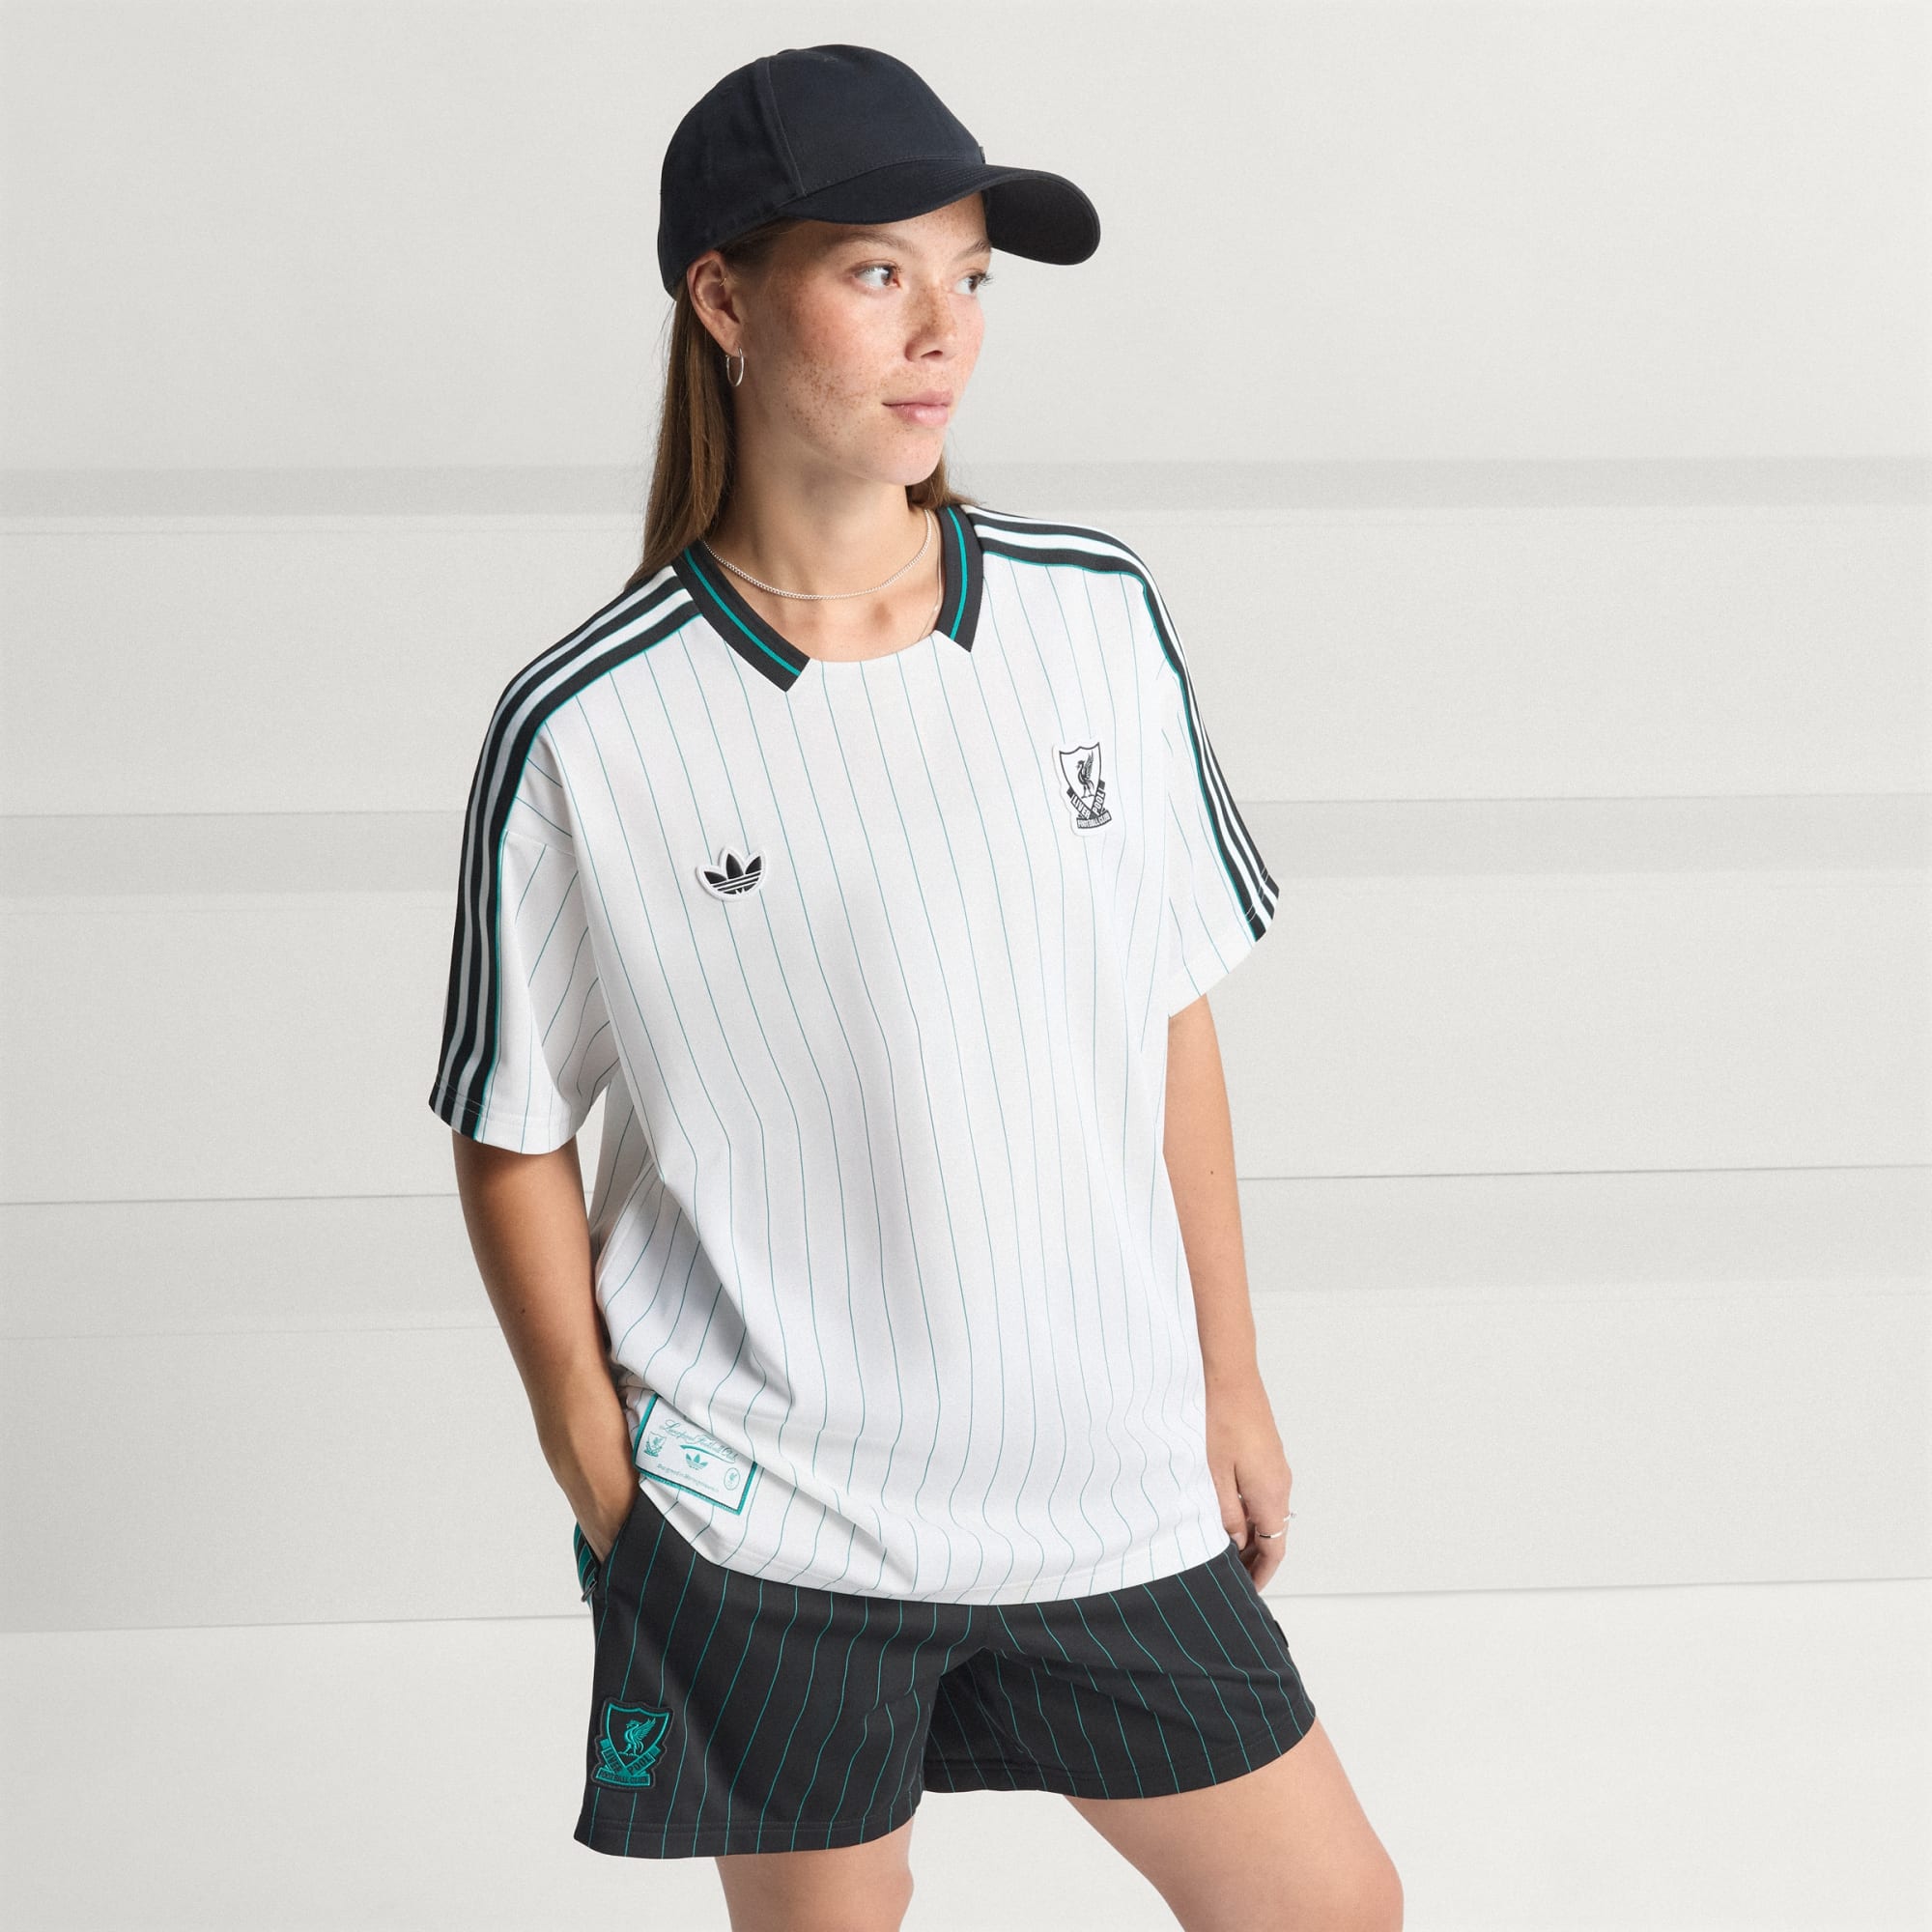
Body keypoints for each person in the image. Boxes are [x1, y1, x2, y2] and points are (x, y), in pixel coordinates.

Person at [429, 41, 1403, 1932]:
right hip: (773, 1519)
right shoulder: (588, 722)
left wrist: (1230, 1380)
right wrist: (602, 1471)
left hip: (1104, 1482)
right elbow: (509, 1122)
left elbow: (1167, 1010)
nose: (942, 329)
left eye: (969, 275)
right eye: (878, 272)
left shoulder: (1093, 613)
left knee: (1328, 1908)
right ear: (724, 300)